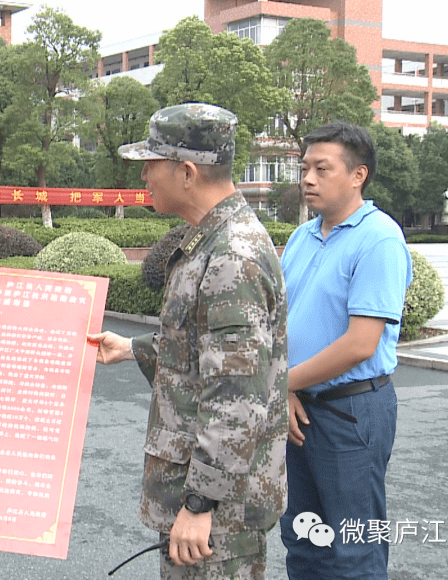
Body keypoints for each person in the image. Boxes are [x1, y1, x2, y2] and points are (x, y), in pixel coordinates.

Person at [88, 103, 288, 579]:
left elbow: (237, 397)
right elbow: (203, 353)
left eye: (151, 163)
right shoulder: (211, 241)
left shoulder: (231, 257)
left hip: (220, 515)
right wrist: (133, 348)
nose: (143, 175)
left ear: (187, 171)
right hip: (210, 501)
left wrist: (201, 502)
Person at [278, 121, 411, 580]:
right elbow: (279, 323)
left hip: (351, 412)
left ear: (358, 175)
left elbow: (360, 344)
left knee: (355, 549)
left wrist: (281, 385)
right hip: (298, 408)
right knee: (303, 539)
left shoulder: (379, 239)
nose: (308, 179)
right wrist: (289, 391)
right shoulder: (302, 237)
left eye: (322, 168)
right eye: (304, 168)